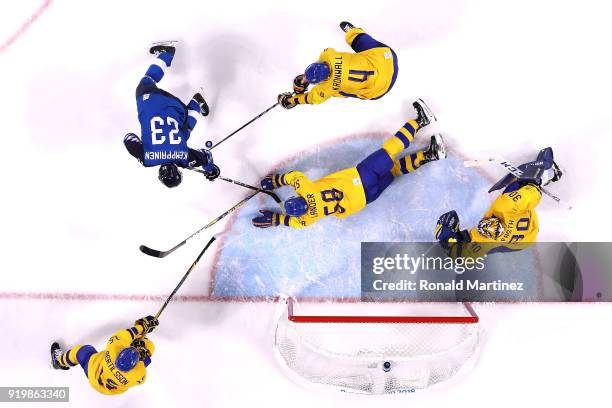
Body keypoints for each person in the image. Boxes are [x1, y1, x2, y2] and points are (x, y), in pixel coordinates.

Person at [252, 99, 445, 228]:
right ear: (297, 197)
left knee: (394, 171)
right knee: (389, 151)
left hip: (365, 199)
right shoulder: (306, 189)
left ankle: (431, 154)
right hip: (361, 177)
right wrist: (277, 181)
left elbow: (295, 224)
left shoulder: (309, 218)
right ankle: (420, 121)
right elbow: (294, 177)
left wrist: (277, 219)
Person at [435, 147, 563, 257]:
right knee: (517, 187)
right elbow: (533, 195)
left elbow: (461, 259)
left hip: (523, 243)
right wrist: (533, 182)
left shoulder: (484, 237)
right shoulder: (505, 205)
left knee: (480, 249)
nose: (483, 226)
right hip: (525, 228)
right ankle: (549, 174)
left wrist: (447, 241)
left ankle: (538, 179)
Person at [124, 41, 220, 188]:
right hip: (151, 100)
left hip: (178, 108)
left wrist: (211, 169)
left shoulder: (184, 158)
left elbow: (206, 156)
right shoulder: (147, 160)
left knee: (184, 134)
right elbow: (128, 138)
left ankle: (197, 101)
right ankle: (166, 55)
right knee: (146, 82)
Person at [277, 21, 398, 109]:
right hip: (388, 59)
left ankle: (354, 35)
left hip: (381, 88)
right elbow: (324, 56)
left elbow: (311, 98)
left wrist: (291, 100)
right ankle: (352, 32)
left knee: (339, 92)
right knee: (364, 44)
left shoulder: (327, 87)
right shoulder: (329, 55)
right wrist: (307, 78)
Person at [50, 316, 158, 396]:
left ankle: (59, 362)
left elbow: (129, 333)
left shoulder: (114, 347)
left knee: (82, 351)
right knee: (148, 344)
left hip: (94, 372)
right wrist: (143, 349)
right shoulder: (139, 375)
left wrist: (142, 327)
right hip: (109, 391)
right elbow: (147, 359)